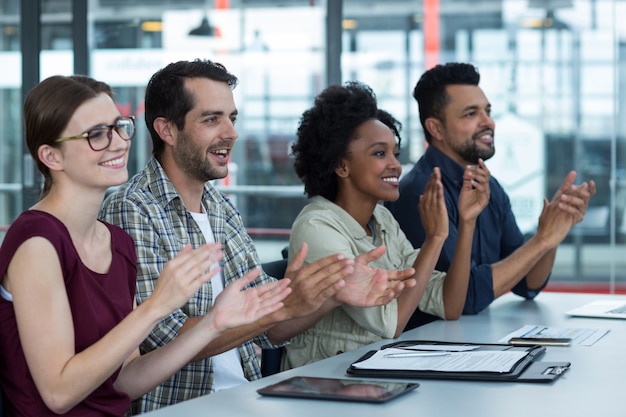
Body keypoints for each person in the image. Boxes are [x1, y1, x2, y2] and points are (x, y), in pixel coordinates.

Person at [99, 59, 415, 414]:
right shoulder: (132, 208)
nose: (231, 133)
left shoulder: (220, 208)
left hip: (247, 399)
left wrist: (330, 295)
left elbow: (270, 332)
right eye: (211, 119)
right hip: (185, 406)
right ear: (167, 131)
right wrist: (272, 313)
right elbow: (160, 335)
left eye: (232, 118)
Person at [0, 75, 292, 417]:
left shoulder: (116, 242)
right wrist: (155, 306)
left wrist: (214, 323)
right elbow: (58, 393)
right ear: (52, 156)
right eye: (96, 134)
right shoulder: (37, 242)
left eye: (120, 126)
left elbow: (124, 382)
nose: (119, 143)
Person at [281, 82, 490, 370]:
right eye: (380, 154)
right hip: (324, 383)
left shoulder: (383, 220)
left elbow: (450, 305)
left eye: (395, 152)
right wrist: (435, 238)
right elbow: (390, 323)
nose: (395, 165)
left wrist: (466, 223)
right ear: (342, 166)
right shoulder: (317, 226)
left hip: (372, 375)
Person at [387, 62, 596, 315]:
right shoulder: (420, 194)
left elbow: (526, 283)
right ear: (436, 128)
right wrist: (541, 241)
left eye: (488, 111)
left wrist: (552, 235)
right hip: (431, 346)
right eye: (471, 114)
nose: (489, 123)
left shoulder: (488, 185)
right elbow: (465, 298)